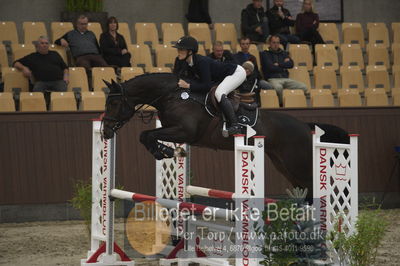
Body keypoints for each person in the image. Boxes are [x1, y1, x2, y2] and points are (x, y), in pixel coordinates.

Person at [173, 36, 246, 135]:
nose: (178, 52)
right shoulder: (188, 63)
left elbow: (206, 86)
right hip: (224, 77)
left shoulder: (201, 62)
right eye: (178, 49)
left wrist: (188, 86)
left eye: (181, 49)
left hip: (236, 73)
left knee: (219, 93)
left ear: (190, 52)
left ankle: (235, 125)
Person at [260, 35, 307, 104]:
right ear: (269, 43)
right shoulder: (264, 54)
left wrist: (278, 64)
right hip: (273, 79)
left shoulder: (283, 53)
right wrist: (284, 64)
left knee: (304, 87)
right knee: (278, 88)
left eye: (278, 43)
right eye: (274, 42)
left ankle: (293, 103)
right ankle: (283, 104)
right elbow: (270, 67)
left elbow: (291, 64)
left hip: (285, 78)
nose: (276, 45)